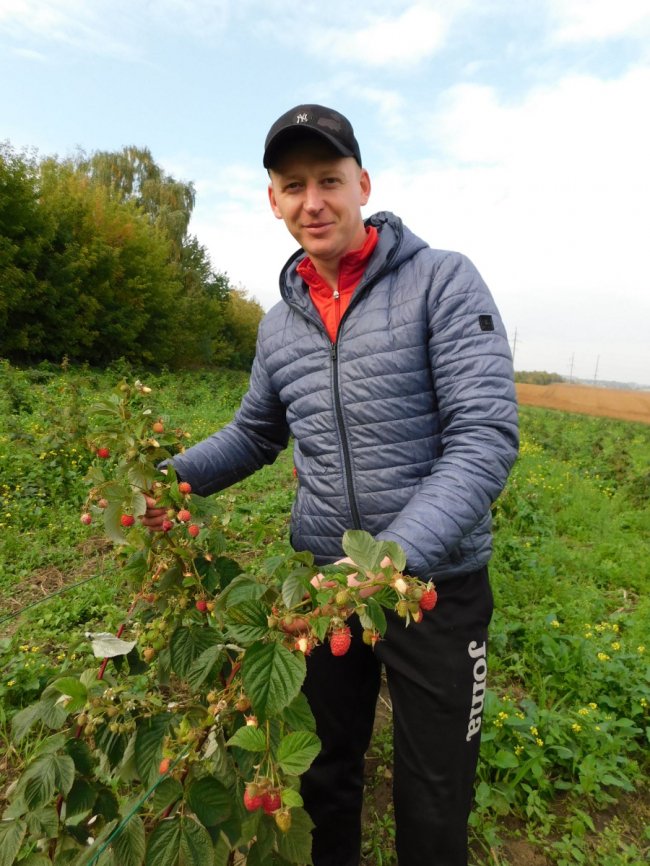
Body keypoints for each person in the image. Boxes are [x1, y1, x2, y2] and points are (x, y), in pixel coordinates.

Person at [142, 104, 519, 866]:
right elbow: (256, 433)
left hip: (432, 589)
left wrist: (394, 553)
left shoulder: (442, 281)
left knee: (434, 792)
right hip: (321, 587)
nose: (312, 201)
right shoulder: (280, 323)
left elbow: (484, 438)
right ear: (273, 201)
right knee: (322, 775)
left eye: (328, 180)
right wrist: (164, 481)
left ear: (362, 184)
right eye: (292, 185)